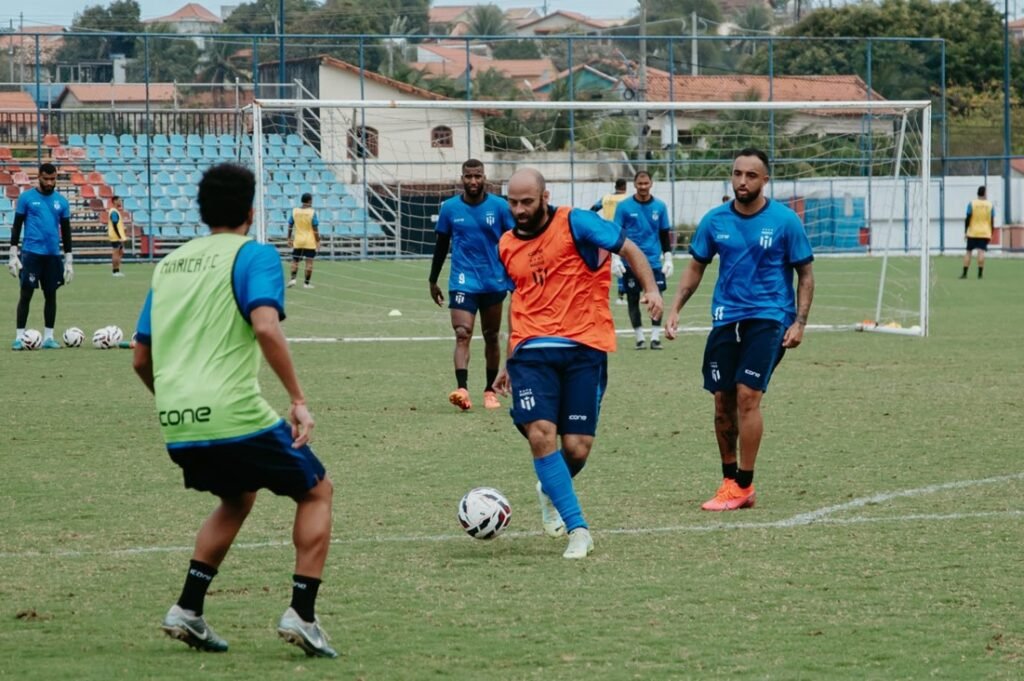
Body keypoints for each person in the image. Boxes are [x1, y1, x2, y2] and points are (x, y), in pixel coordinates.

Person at [132, 164, 337, 658]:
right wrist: (298, 400)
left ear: (202, 211)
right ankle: (303, 615)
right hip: (234, 414)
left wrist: (175, 401)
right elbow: (265, 326)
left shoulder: (169, 265)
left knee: (237, 496)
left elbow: (141, 357)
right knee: (316, 491)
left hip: (177, 421)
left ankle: (187, 608)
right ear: (251, 209)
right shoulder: (255, 255)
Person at [493, 168, 663, 559]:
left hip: (585, 345)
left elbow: (630, 249)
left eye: (527, 202)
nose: (519, 210)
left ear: (545, 196)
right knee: (541, 434)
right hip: (532, 351)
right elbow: (518, 299)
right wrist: (507, 360)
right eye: (512, 203)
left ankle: (550, 487)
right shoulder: (506, 243)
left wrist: (651, 289)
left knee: (577, 447)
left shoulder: (577, 222)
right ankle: (579, 530)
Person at [665, 148, 814, 512]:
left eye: (750, 175)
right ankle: (729, 479)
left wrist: (799, 322)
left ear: (765, 180)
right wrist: (676, 308)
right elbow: (696, 267)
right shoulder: (714, 220)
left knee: (748, 395)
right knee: (722, 402)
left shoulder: (785, 221)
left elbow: (805, 274)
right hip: (725, 318)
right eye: (737, 174)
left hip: (770, 317)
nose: (742, 181)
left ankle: (745, 484)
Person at [428, 159, 515, 411]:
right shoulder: (450, 208)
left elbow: (513, 243)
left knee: (491, 336)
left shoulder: (500, 207)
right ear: (462, 178)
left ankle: (489, 390)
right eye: (469, 176)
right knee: (462, 333)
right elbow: (441, 246)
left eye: (478, 176)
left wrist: (514, 278)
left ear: (484, 177)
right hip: (462, 280)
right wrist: (433, 279)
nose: (473, 181)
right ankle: (462, 390)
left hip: (493, 280)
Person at [7, 162, 73, 350]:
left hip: (52, 256)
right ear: (39, 177)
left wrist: (69, 260)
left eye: (53, 179)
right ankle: (19, 337)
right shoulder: (26, 198)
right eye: (46, 179)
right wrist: (13, 254)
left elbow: (66, 232)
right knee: (26, 294)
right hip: (31, 254)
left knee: (51, 295)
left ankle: (49, 338)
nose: (50, 182)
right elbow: (17, 226)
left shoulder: (62, 202)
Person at [612, 171, 673, 350]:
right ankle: (639, 338)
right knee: (633, 299)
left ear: (651, 183)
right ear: (634, 184)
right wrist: (615, 258)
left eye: (646, 183)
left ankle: (655, 338)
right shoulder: (623, 207)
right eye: (640, 184)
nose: (643, 187)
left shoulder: (660, 206)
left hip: (653, 262)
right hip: (629, 262)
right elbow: (616, 233)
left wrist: (668, 258)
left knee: (657, 298)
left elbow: (664, 234)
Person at [591, 178, 629, 305]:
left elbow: (593, 209)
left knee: (605, 265)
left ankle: (600, 294)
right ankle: (622, 296)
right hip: (621, 235)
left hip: (606, 235)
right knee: (623, 265)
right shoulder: (627, 199)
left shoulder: (606, 198)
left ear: (615, 186)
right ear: (625, 187)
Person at [287, 192, 320, 289]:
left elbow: (290, 225)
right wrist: (318, 241)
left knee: (295, 261)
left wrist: (289, 238)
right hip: (309, 241)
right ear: (309, 201)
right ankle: (306, 284)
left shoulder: (295, 211)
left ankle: (293, 279)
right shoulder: (312, 212)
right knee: (309, 262)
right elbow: (315, 228)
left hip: (298, 240)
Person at [961, 185, 994, 280]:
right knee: (981, 252)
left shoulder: (972, 204)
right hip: (984, 232)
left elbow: (967, 218)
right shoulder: (990, 205)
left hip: (972, 232)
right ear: (984, 193)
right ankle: (980, 274)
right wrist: (991, 232)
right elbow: (992, 220)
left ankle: (964, 273)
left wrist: (965, 231)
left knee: (968, 252)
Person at [107, 195, 126, 277]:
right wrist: (119, 236)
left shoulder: (116, 211)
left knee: (120, 252)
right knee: (116, 253)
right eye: (119, 200)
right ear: (115, 201)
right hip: (115, 236)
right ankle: (115, 271)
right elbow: (114, 225)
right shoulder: (114, 212)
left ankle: (117, 269)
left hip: (118, 236)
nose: (120, 202)